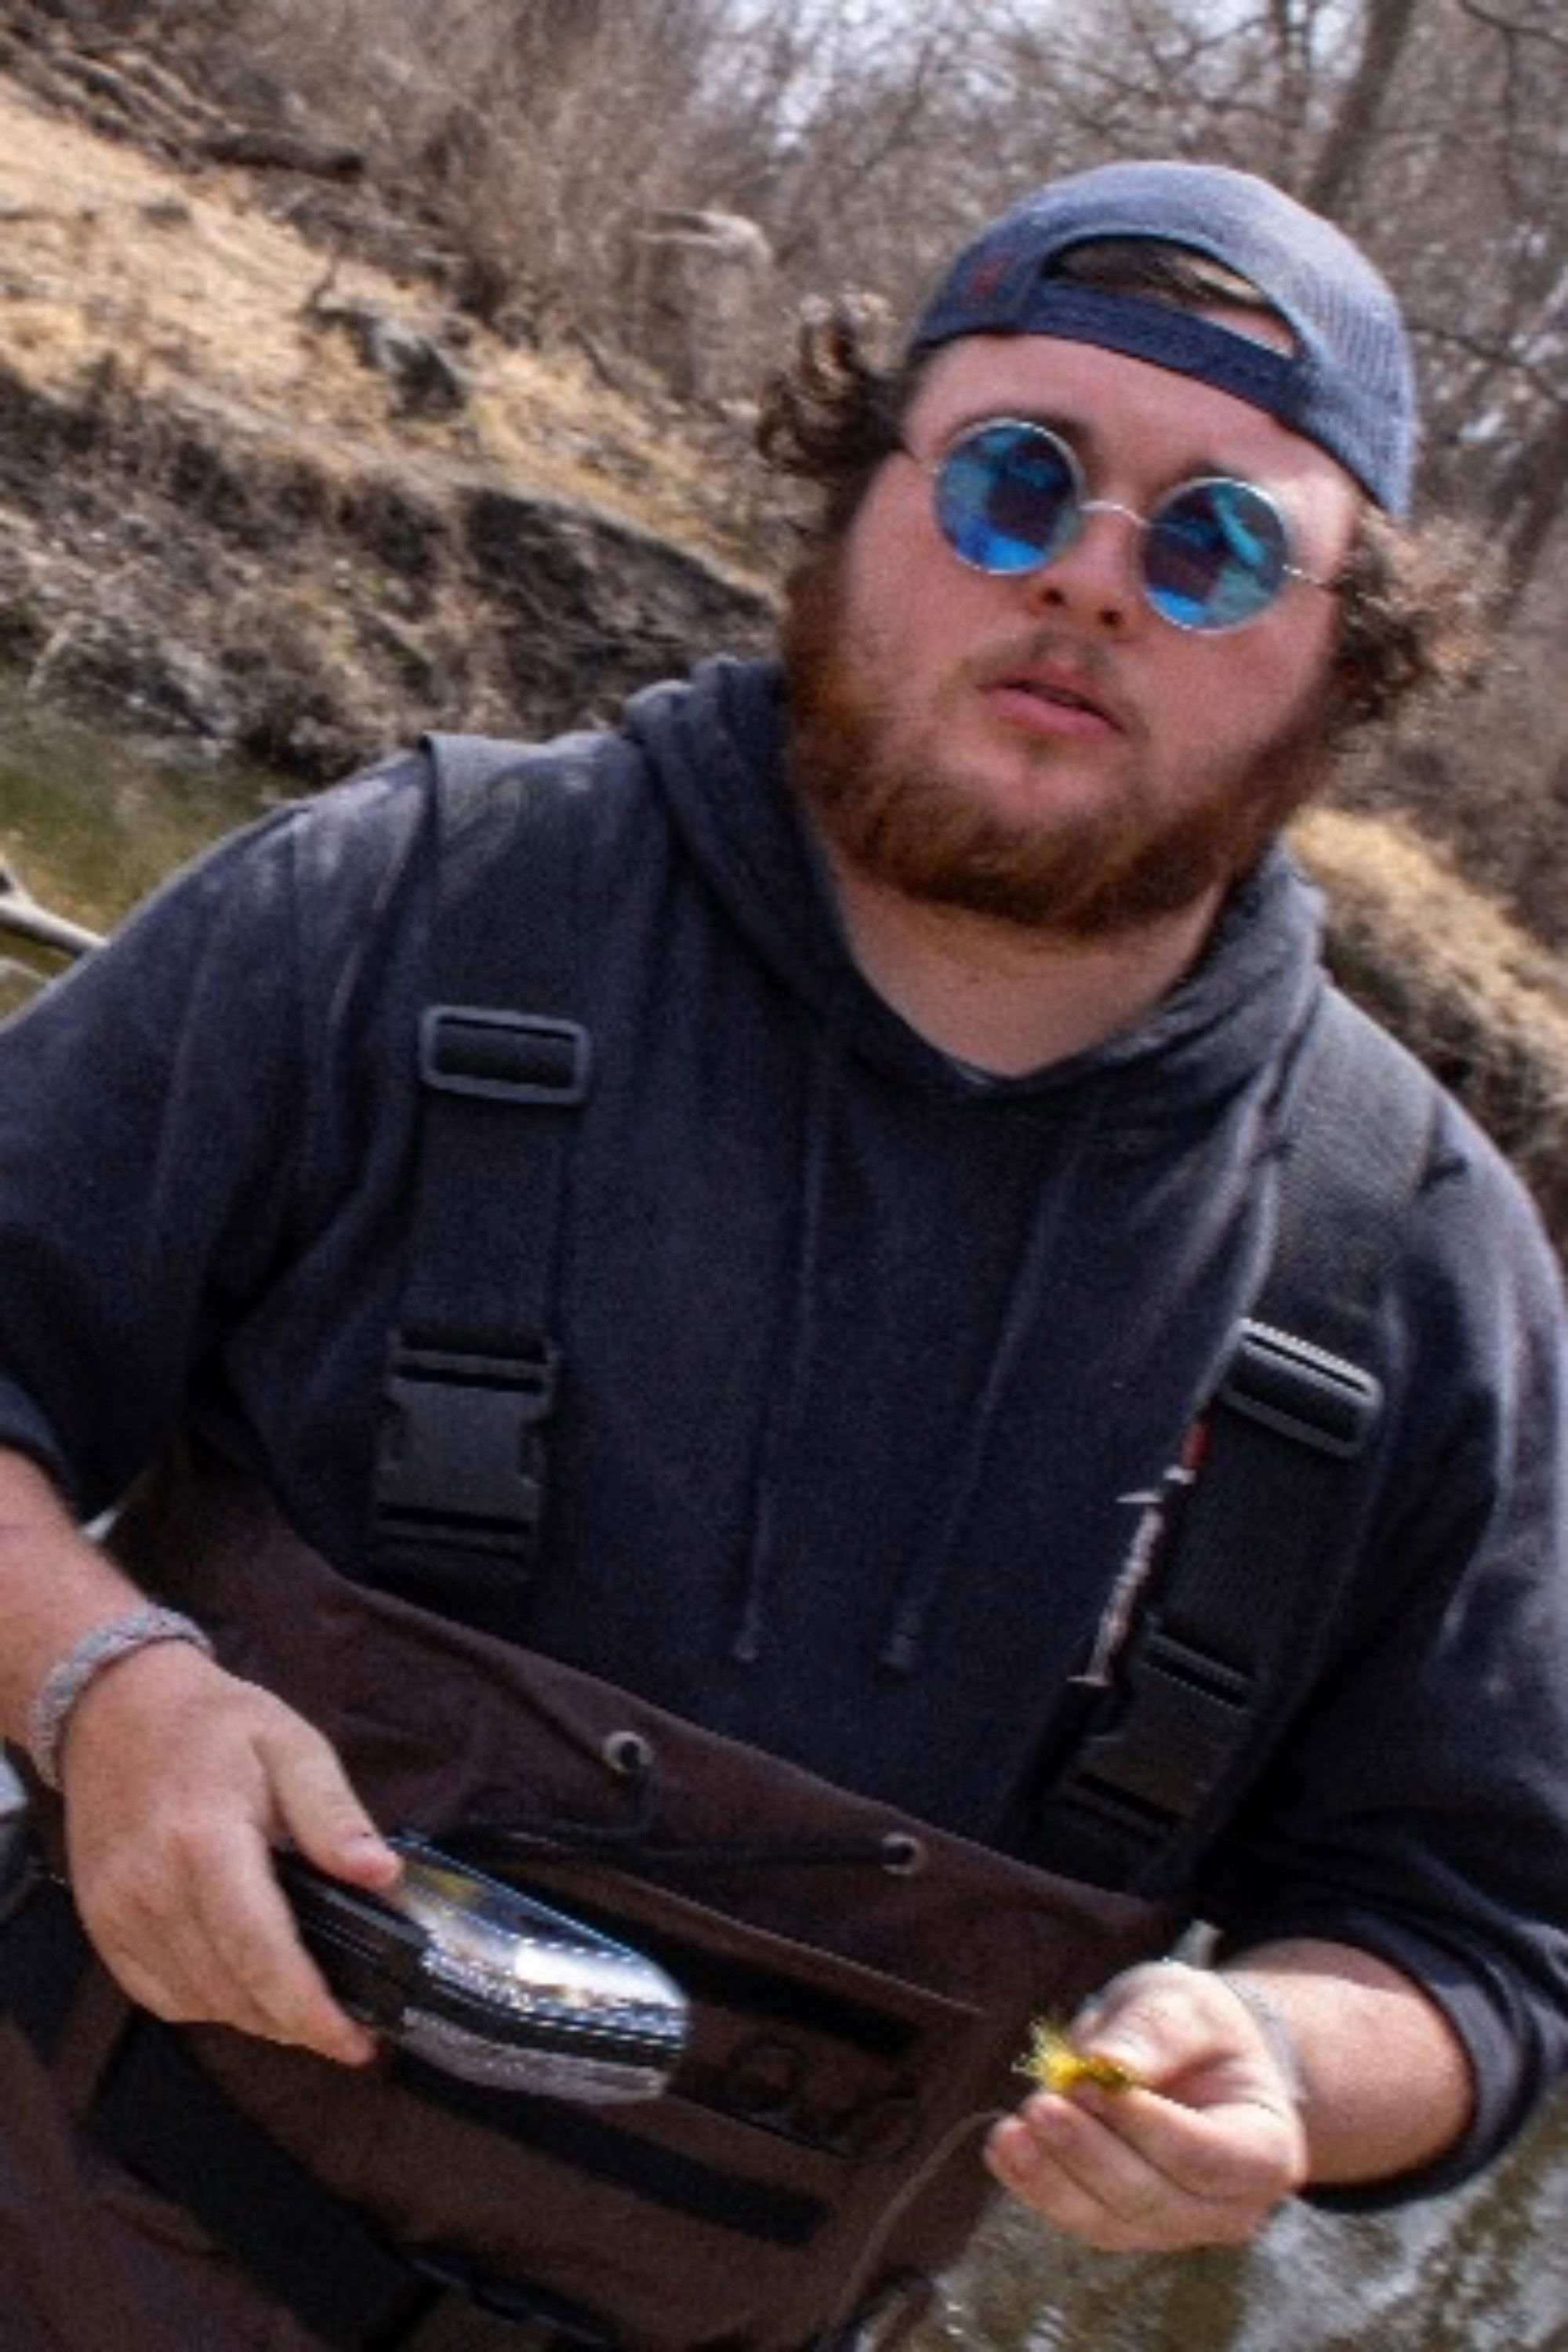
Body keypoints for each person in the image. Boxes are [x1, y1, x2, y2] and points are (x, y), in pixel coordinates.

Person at [0, 156, 1566, 2352]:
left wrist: (1294, 2066)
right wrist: (105, 1690)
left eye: (1216, 543)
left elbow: (1480, 1952)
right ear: (853, 495)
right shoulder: (400, 903)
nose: (1092, 579)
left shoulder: (1429, 1282)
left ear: (1346, 657)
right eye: (1017, 482)